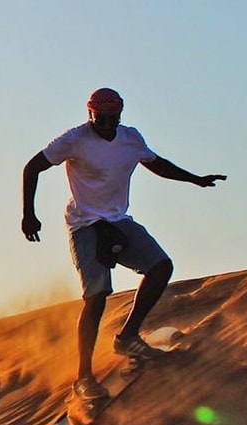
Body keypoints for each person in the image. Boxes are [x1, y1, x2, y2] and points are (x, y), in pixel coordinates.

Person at [21, 88, 226, 400]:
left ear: (120, 115)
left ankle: (128, 337)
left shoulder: (130, 138)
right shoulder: (74, 139)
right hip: (84, 225)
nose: (106, 124)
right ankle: (84, 378)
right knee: (97, 294)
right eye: (100, 119)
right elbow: (32, 167)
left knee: (160, 267)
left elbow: (156, 163)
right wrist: (29, 215)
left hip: (118, 220)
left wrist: (195, 179)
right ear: (90, 114)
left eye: (112, 119)